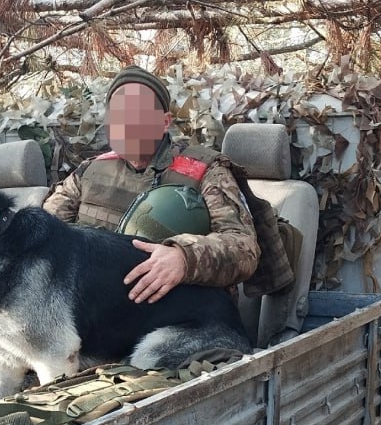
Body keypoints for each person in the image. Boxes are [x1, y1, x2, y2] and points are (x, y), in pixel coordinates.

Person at [43, 66, 260, 303]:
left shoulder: (205, 171)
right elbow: (45, 233)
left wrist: (184, 258)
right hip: (96, 312)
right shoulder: (89, 171)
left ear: (165, 121)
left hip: (182, 320)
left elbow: (244, 248)